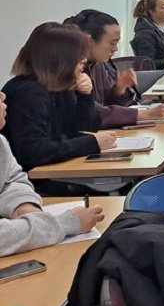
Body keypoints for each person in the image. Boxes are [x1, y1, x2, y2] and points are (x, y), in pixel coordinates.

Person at [0, 90, 105, 256]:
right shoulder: (29, 94)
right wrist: (65, 223)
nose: (3, 96)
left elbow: (10, 180)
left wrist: (22, 204)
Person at [1, 23, 117, 170]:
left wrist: (85, 97)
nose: (84, 61)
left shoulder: (60, 88)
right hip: (31, 181)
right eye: (78, 56)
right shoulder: (28, 93)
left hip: (59, 170)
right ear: (61, 59)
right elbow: (33, 151)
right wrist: (92, 143)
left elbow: (85, 129)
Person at [66, 9, 164, 129]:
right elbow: (90, 114)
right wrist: (143, 115)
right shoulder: (69, 68)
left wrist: (119, 90)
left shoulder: (99, 64)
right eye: (112, 43)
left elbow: (108, 103)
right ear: (89, 41)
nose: (115, 49)